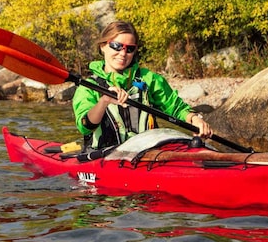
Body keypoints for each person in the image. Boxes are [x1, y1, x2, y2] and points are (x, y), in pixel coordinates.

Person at [73, 20, 213, 151]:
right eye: (116, 46)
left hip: (147, 155)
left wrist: (195, 119)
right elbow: (85, 126)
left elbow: (176, 109)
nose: (123, 53)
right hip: (104, 158)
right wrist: (104, 101)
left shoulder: (148, 79)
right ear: (103, 46)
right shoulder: (88, 86)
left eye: (129, 49)